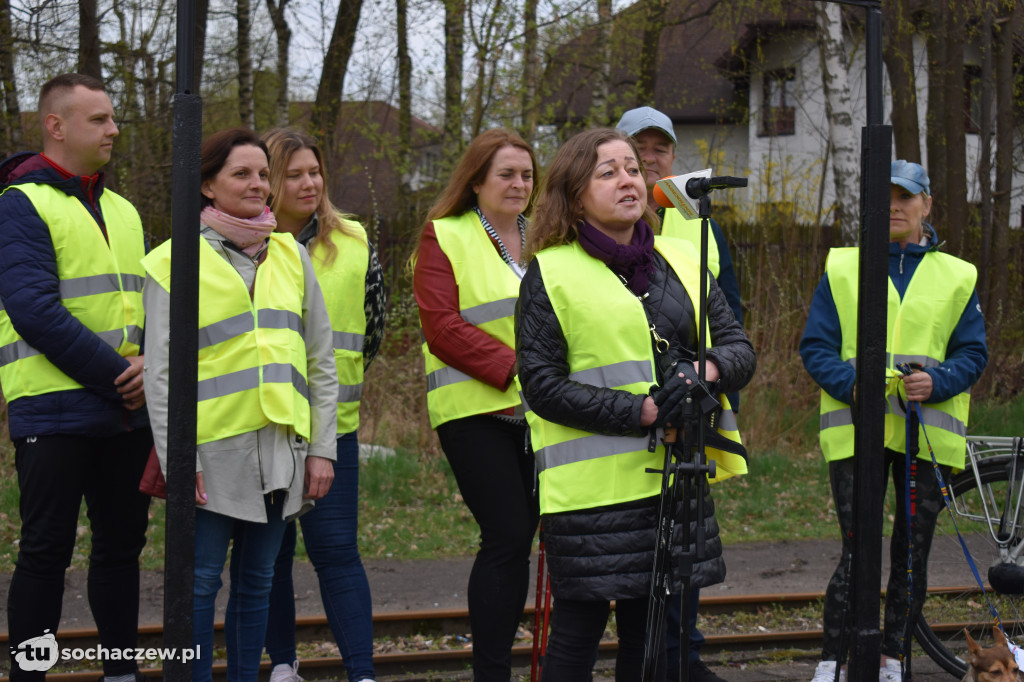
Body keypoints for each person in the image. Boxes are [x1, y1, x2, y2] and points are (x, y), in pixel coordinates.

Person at [515, 127, 755, 682]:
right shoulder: (552, 271)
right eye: (608, 172)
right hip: (591, 494)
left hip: (672, 479)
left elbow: (738, 348)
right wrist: (641, 411)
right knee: (576, 635)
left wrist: (704, 371)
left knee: (655, 641)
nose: (628, 179)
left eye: (631, 168)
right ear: (575, 195)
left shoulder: (681, 258)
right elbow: (541, 385)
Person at [141, 127, 339, 682]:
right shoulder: (171, 261)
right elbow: (160, 377)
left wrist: (322, 449)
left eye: (261, 173)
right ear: (207, 185)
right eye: (241, 174)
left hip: (282, 452)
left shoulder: (291, 255)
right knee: (201, 584)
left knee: (258, 583)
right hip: (211, 455)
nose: (258, 184)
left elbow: (321, 361)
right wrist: (182, 461)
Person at [800, 160, 988, 682]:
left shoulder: (957, 275)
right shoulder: (844, 268)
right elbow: (815, 347)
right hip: (856, 431)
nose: (894, 207)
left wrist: (940, 382)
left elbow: (973, 353)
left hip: (924, 435)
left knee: (912, 551)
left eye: (905, 197)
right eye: (884, 199)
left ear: (927, 204)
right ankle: (833, 660)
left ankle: (893, 657)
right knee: (856, 548)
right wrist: (852, 384)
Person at [0, 73, 152, 682]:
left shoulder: (124, 210)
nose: (115, 128)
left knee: (122, 553)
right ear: (56, 126)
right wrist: (123, 375)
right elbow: (33, 310)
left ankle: (121, 674)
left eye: (114, 117)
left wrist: (151, 365)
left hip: (124, 413)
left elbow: (149, 308)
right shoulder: (19, 203)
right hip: (53, 408)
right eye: (99, 119)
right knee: (45, 554)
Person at [615, 105, 743, 682]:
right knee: (635, 547)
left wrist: (711, 375)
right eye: (636, 148)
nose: (649, 159)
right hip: (630, 408)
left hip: (694, 402)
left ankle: (683, 658)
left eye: (659, 148)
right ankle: (649, 660)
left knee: (687, 543)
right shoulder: (596, 225)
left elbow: (731, 317)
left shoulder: (700, 223)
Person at [412, 127, 540, 681]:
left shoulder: (549, 237)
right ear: (478, 179)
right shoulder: (446, 234)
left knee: (522, 539)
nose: (518, 184)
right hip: (475, 411)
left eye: (527, 175)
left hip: (540, 415)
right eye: (506, 174)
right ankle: (491, 672)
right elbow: (442, 327)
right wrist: (521, 370)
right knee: (508, 533)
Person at [261, 128, 386, 682]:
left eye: (314, 172)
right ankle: (284, 666)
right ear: (270, 181)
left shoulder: (356, 242)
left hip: (334, 432)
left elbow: (374, 328)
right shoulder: (243, 244)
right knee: (270, 557)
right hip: (264, 428)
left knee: (336, 552)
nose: (309, 182)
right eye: (295, 174)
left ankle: (361, 672)